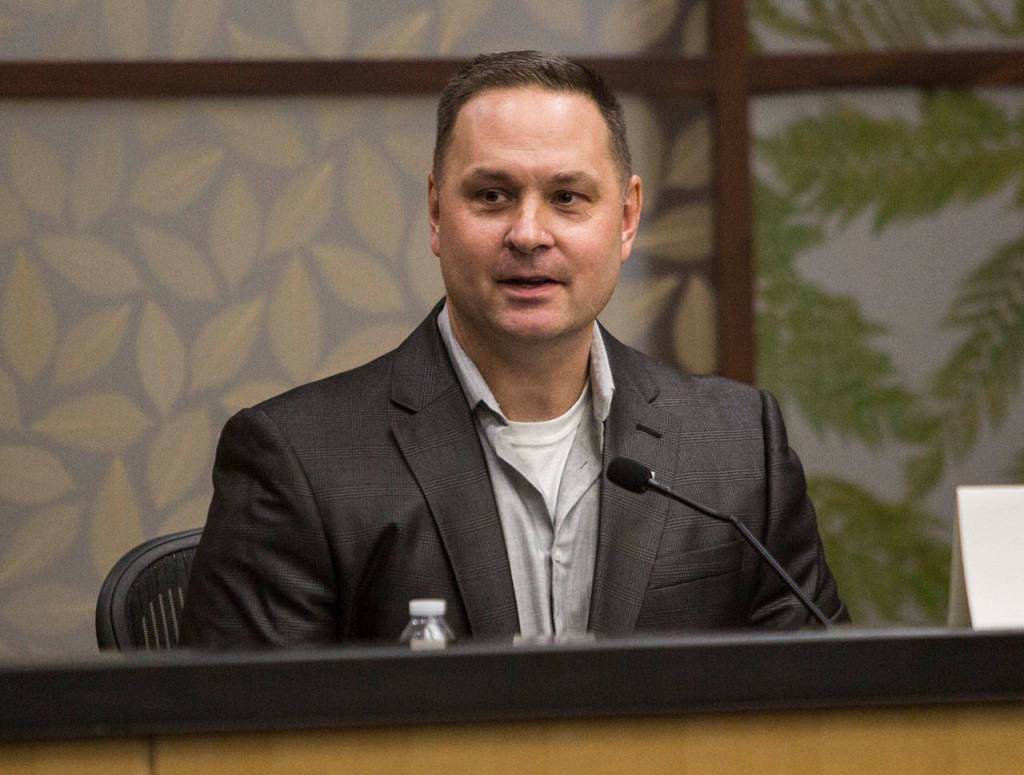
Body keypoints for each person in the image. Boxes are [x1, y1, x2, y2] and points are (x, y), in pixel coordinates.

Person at [179, 51, 846, 648]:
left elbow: (830, 711)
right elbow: (244, 743)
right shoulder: (297, 461)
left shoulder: (735, 447)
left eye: (566, 197)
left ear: (627, 217)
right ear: (437, 213)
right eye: (492, 196)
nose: (529, 234)